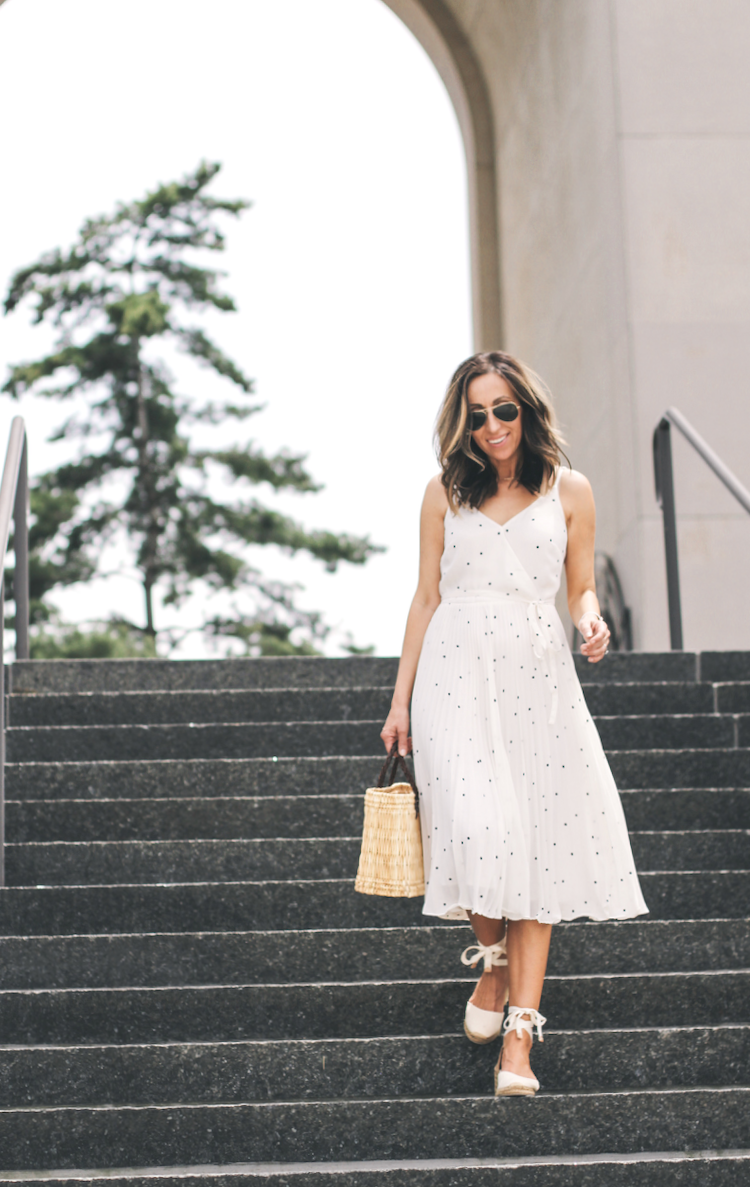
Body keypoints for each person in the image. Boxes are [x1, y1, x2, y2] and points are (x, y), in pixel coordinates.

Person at [381, 351, 648, 1098]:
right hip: (453, 675)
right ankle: (492, 963)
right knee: (472, 827)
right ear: (462, 421)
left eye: (504, 409)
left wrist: (592, 624)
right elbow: (425, 597)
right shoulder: (443, 493)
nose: (493, 425)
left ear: (526, 410)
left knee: (538, 855)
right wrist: (400, 702)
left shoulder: (572, 490)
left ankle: (520, 1042)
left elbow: (582, 586)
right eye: (478, 413)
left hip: (538, 676)